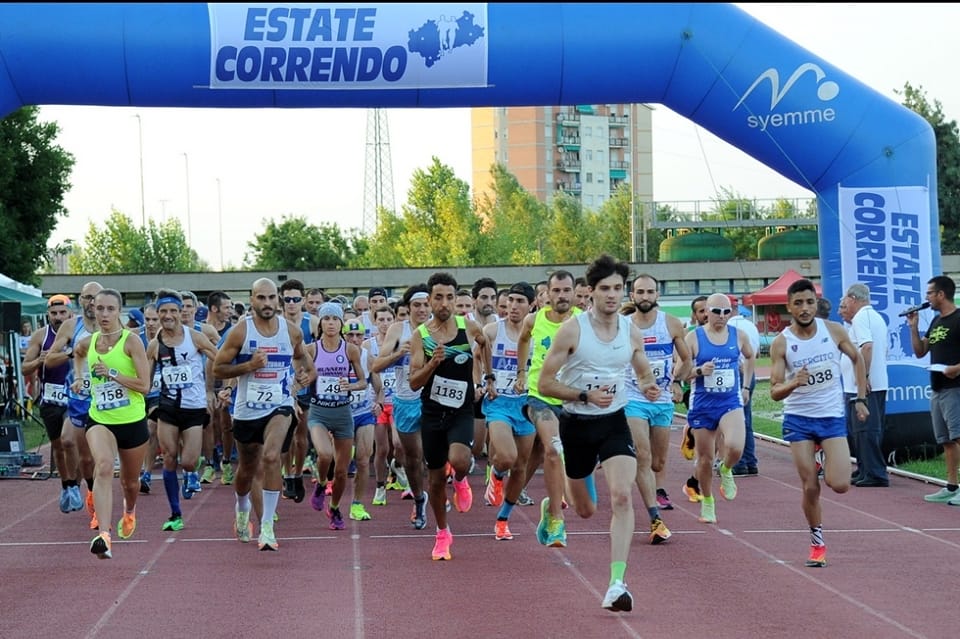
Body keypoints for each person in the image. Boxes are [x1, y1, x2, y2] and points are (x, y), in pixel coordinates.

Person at [538, 254, 659, 612]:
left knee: (622, 496)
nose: (611, 295)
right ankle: (552, 506)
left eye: (617, 288)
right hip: (576, 423)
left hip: (613, 421)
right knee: (586, 510)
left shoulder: (629, 329)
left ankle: (616, 583)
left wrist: (649, 385)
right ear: (589, 292)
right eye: (604, 288)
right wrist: (583, 395)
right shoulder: (573, 330)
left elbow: (641, 367)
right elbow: (545, 383)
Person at [769, 277, 869, 567]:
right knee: (810, 486)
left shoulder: (834, 331)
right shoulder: (781, 343)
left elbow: (857, 358)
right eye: (798, 303)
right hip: (799, 419)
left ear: (816, 304)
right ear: (789, 307)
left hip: (831, 416)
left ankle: (824, 455)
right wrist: (792, 383)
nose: (804, 308)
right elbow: (775, 391)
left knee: (840, 484)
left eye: (809, 302)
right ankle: (817, 541)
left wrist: (860, 398)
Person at [213, 278, 315, 551]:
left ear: (278, 301)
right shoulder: (240, 332)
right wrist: (249, 365)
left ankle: (267, 526)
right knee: (246, 470)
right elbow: (218, 369)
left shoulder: (291, 332)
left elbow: (307, 364)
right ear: (252, 300)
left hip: (280, 405)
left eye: (272, 298)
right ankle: (242, 505)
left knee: (271, 457)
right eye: (261, 298)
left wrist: (302, 380)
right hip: (247, 411)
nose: (267, 303)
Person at [408, 272, 489, 560]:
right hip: (432, 413)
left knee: (460, 459)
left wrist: (486, 378)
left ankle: (461, 479)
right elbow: (414, 382)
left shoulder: (468, 327)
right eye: (438, 297)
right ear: (429, 300)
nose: (444, 303)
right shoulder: (421, 336)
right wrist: (432, 363)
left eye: (450, 297)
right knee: (434, 479)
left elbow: (484, 342)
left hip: (461, 410)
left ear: (456, 300)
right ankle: (443, 533)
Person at [70, 288, 152, 559]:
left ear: (119, 312)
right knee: (103, 466)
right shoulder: (89, 341)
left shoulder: (132, 342)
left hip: (131, 420)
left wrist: (113, 373)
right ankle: (103, 535)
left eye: (110, 309)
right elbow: (78, 353)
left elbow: (145, 386)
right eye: (99, 308)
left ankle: (129, 511)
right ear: (93, 310)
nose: (104, 314)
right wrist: (81, 378)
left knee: (130, 483)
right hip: (100, 418)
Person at [515, 270, 583, 548]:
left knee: (542, 455)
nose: (562, 296)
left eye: (567, 290)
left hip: (573, 399)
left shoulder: (584, 321)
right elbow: (522, 340)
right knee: (554, 450)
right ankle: (556, 520)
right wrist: (522, 371)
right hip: (539, 396)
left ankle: (517, 491)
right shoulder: (534, 319)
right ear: (547, 293)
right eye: (556, 291)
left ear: (575, 292)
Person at [145, 289, 220, 532]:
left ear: (181, 313)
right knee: (168, 457)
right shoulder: (155, 345)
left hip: (194, 406)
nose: (168, 315)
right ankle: (175, 513)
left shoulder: (195, 337)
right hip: (167, 406)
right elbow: (145, 380)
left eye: (173, 311)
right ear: (158, 314)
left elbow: (219, 360)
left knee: (188, 461)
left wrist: (220, 386)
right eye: (164, 311)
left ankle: (191, 473)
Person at [624, 274, 692, 542]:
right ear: (632, 296)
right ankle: (655, 518)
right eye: (640, 292)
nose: (645, 296)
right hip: (633, 399)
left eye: (650, 291)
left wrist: (677, 382)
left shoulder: (671, 324)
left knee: (658, 462)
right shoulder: (624, 326)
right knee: (642, 455)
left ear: (657, 295)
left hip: (662, 400)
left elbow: (686, 360)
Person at [684, 292, 755, 524]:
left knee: (735, 446)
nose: (722, 316)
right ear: (706, 312)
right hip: (703, 404)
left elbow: (751, 357)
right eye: (716, 311)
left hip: (729, 402)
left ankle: (726, 469)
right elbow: (679, 374)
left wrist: (745, 387)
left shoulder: (739, 336)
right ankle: (707, 500)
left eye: (727, 312)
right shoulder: (693, 338)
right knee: (704, 459)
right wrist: (698, 371)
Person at [370, 284, 433, 529]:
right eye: (416, 305)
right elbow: (377, 366)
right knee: (413, 458)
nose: (422, 309)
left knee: (435, 455)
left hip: (433, 400)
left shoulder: (439, 328)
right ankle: (419, 498)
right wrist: (399, 352)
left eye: (426, 304)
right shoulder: (398, 329)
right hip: (406, 401)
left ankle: (438, 492)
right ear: (408, 308)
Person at [480, 281, 537, 541]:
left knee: (521, 466)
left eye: (520, 301)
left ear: (531, 305)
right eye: (510, 300)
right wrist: (481, 382)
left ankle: (503, 519)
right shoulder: (492, 331)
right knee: (506, 456)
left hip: (527, 405)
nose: (513, 306)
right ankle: (496, 473)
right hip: (498, 402)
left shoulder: (538, 334)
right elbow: (475, 360)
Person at [304, 302, 367, 530]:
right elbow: (299, 376)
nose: (331, 323)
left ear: (341, 323)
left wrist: (350, 386)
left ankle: (335, 507)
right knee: (324, 453)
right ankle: (321, 483)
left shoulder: (350, 350)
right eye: (326, 319)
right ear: (320, 323)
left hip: (342, 413)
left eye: (335, 319)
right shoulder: (311, 349)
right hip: (319, 411)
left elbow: (362, 381)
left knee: (341, 472)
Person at [21, 294, 77, 512]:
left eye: (62, 312)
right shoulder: (40, 336)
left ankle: (78, 483)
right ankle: (67, 486)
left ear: (70, 313)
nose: (58, 317)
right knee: (59, 447)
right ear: (48, 315)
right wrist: (40, 360)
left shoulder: (79, 333)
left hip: (76, 396)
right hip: (51, 398)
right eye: (54, 313)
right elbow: (25, 368)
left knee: (71, 441)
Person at [908, 275, 960, 505]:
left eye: (929, 293)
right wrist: (913, 327)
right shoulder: (936, 321)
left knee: (958, 436)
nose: (926, 297)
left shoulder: (959, 318)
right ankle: (951, 485)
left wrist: (956, 368)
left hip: (955, 387)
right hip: (938, 388)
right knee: (946, 440)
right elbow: (920, 351)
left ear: (941, 294)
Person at [844, 283, 890, 487]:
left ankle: (875, 472)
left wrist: (865, 375)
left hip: (867, 385)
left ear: (853, 298)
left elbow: (867, 347)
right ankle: (865, 468)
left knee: (866, 428)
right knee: (861, 429)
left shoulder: (861, 317)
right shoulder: (874, 317)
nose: (844, 304)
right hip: (873, 383)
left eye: (846, 299)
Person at [728, 296, 762, 477]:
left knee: (736, 420)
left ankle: (740, 462)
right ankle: (750, 461)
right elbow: (755, 353)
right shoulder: (751, 326)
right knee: (746, 418)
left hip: (735, 373)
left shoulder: (731, 328)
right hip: (750, 373)